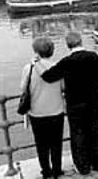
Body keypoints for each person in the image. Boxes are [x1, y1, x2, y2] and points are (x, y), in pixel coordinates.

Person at [37, 32, 98, 175]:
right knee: (94, 131)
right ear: (81, 42)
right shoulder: (93, 56)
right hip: (93, 101)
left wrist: (36, 63)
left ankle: (82, 166)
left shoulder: (66, 62)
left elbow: (48, 77)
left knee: (78, 134)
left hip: (75, 103)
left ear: (68, 45)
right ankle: (97, 162)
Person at [20, 37, 64, 179]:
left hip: (36, 112)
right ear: (52, 51)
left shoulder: (29, 68)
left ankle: (46, 171)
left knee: (41, 144)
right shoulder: (57, 67)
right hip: (56, 110)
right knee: (56, 143)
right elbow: (63, 87)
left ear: (36, 51)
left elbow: (23, 88)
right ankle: (57, 170)